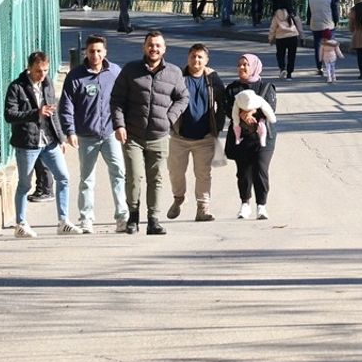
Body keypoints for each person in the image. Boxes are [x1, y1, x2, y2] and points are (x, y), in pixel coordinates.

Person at [111, 30, 189, 235]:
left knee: (156, 178)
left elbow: (183, 98)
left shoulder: (174, 72)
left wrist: (169, 119)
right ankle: (133, 218)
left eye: (158, 45)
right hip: (132, 135)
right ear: (144, 47)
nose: (154, 48)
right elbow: (117, 99)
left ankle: (153, 220)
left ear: (164, 49)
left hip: (159, 135)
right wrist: (119, 125)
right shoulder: (130, 70)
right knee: (134, 176)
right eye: (150, 45)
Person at [4, 51, 81, 237]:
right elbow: (9, 115)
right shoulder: (17, 87)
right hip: (27, 143)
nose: (42, 74)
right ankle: (21, 224)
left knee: (63, 177)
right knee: (25, 184)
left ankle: (63, 221)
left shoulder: (47, 85)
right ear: (29, 68)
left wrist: (60, 138)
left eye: (45, 70)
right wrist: (36, 113)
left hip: (49, 141)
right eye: (38, 71)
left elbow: (53, 114)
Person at [58, 35, 126, 234]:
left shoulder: (114, 72)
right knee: (87, 179)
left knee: (118, 174)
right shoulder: (76, 76)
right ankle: (86, 218)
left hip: (110, 133)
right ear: (85, 53)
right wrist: (69, 131)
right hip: (86, 135)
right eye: (91, 51)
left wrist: (122, 125)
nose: (95, 55)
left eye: (98, 51)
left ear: (105, 52)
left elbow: (123, 100)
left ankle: (122, 216)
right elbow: (66, 105)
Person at [167, 43, 227, 223]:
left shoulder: (213, 79)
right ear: (188, 57)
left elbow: (222, 104)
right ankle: (178, 199)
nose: (196, 60)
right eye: (193, 56)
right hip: (179, 136)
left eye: (200, 57)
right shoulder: (179, 77)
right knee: (175, 172)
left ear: (206, 60)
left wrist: (217, 127)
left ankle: (203, 208)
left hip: (205, 137)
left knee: (203, 174)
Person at [222, 54, 278, 219]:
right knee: (243, 171)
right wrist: (242, 114)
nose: (242, 68)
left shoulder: (266, 87)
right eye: (239, 65)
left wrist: (252, 112)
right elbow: (227, 108)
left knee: (260, 169)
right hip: (242, 137)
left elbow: (271, 108)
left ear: (254, 66)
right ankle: (245, 204)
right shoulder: (232, 88)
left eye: (245, 65)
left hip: (264, 137)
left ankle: (261, 206)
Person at [306, 0, 339, 75]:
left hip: (316, 25)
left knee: (318, 46)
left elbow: (309, 13)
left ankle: (319, 67)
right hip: (328, 26)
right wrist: (336, 21)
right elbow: (334, 12)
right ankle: (329, 65)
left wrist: (309, 22)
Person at [268, 6, 304, 79]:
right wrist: (302, 37)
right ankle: (289, 72)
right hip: (292, 36)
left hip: (280, 37)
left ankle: (282, 68)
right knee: (291, 55)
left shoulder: (276, 14)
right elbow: (299, 26)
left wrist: (271, 38)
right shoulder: (293, 13)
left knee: (280, 54)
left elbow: (273, 27)